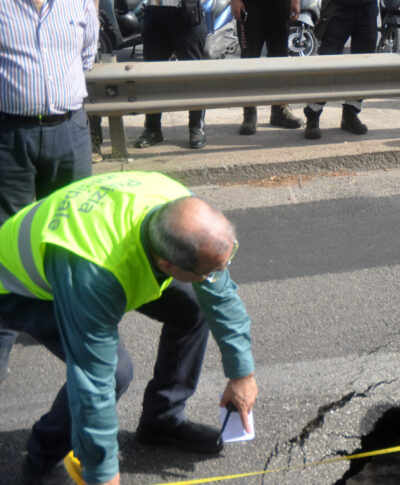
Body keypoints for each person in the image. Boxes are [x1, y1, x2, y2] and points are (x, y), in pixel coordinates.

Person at [0, 171, 258, 485]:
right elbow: (91, 382)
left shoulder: (178, 203)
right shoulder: (95, 272)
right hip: (22, 288)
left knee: (195, 306)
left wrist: (242, 373)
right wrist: (104, 473)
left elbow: (219, 293)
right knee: (113, 374)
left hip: (98, 255)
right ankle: (42, 460)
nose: (217, 276)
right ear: (166, 265)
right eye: (208, 272)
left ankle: (162, 419)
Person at [0, 0, 99, 385]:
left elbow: (87, 55)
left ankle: (71, 315)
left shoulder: (78, 3)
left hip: (69, 129)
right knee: (8, 233)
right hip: (10, 135)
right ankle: (7, 323)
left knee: (71, 228)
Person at [133, 0, 209, 149]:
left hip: (187, 8)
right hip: (155, 10)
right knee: (152, 77)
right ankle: (152, 129)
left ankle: (196, 128)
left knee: (193, 75)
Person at [302, 0, 377, 138]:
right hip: (338, 7)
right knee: (327, 66)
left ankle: (350, 113)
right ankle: (313, 116)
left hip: (368, 6)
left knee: (364, 66)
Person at [232, 0, 304, 135]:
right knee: (249, 60)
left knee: (280, 59)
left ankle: (279, 111)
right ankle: (249, 113)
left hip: (280, 6)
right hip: (251, 6)